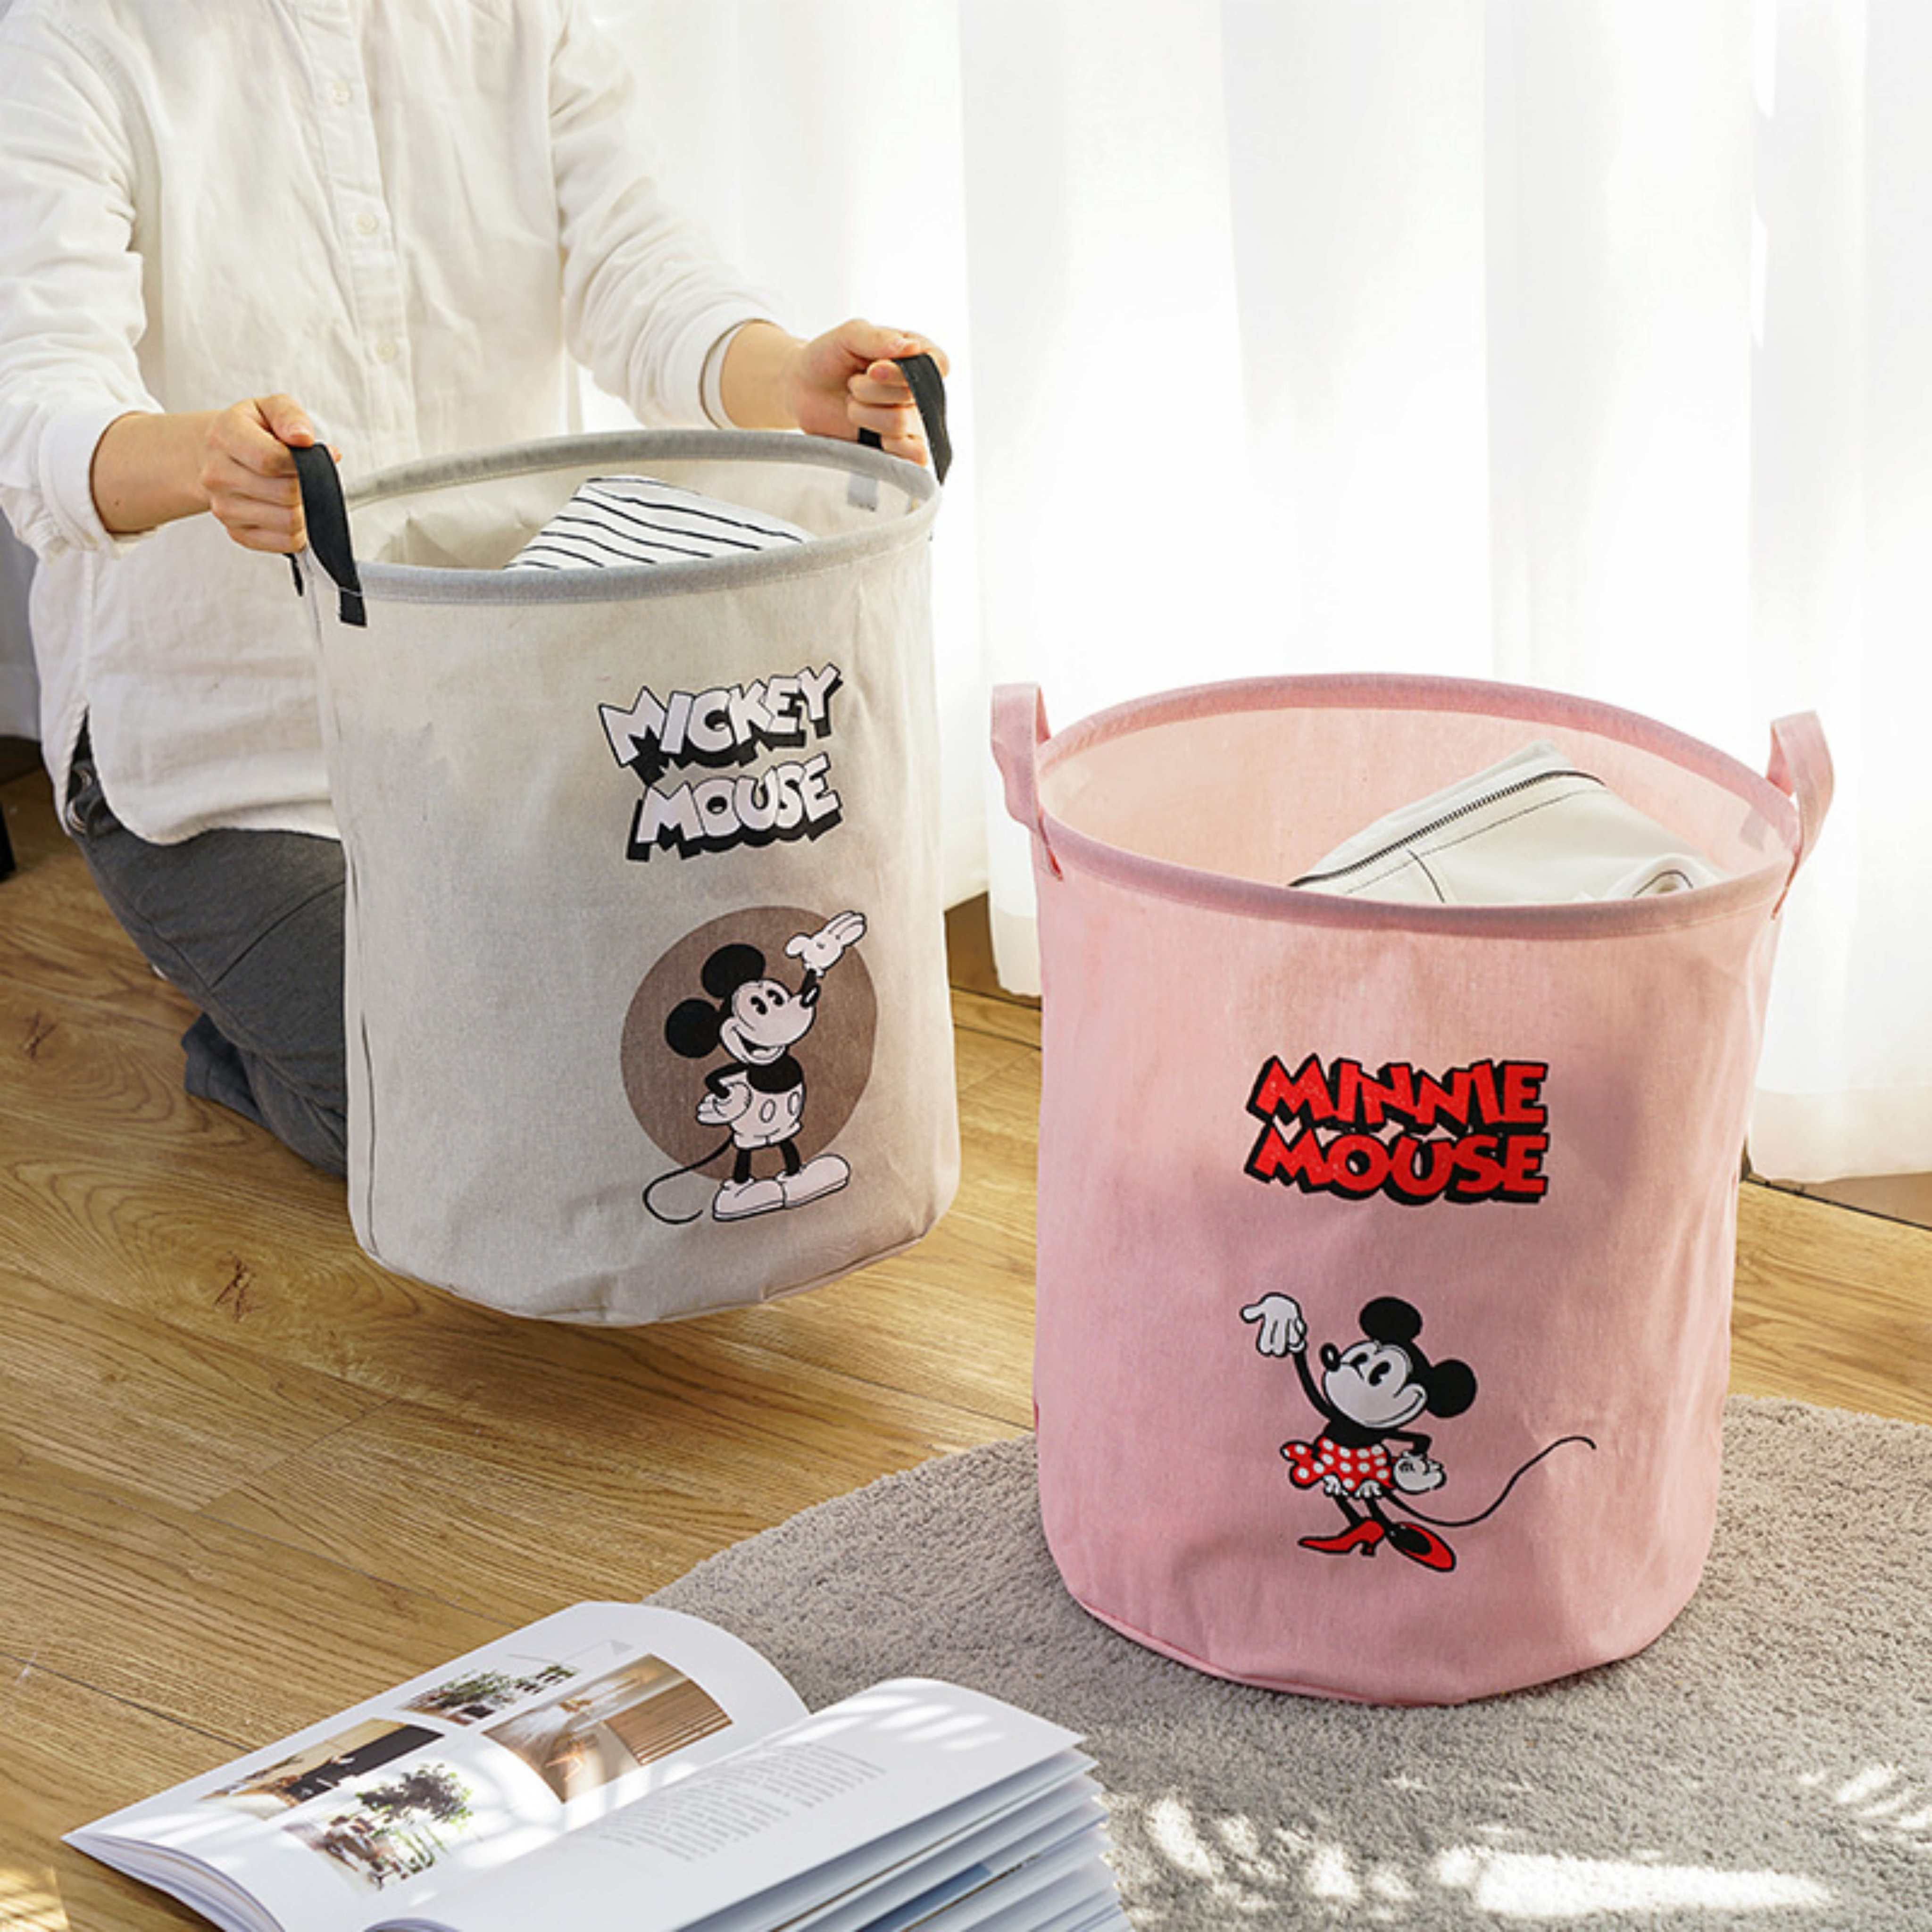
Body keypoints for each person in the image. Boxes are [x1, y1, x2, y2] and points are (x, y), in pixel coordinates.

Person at [0, 0, 947, 1177]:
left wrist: (791, 382)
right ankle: (243, 1030)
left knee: (676, 1067)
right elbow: (37, 399)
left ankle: (319, 991)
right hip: (227, 763)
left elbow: (637, 269)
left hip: (493, 730)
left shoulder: (517, 19)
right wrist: (198, 460)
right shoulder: (72, 36)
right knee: (485, 1137)